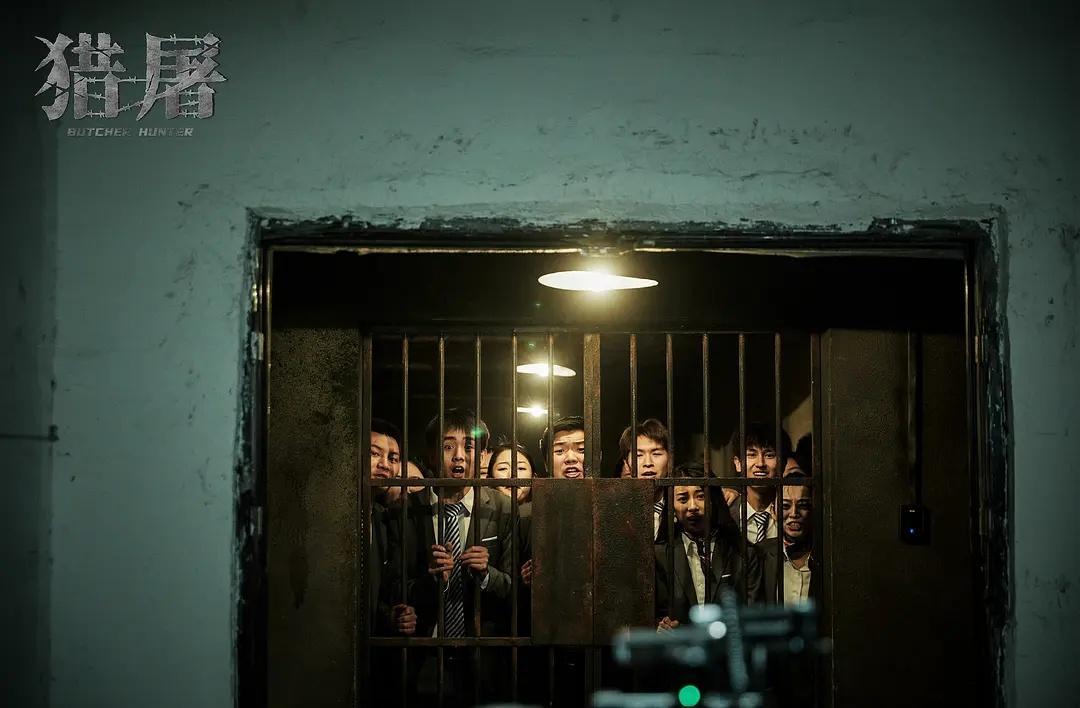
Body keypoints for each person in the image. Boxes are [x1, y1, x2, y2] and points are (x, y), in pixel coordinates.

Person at [387, 408, 513, 705]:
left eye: (469, 446)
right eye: (447, 447)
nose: (459, 456)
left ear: (483, 456)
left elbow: (516, 588)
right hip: (422, 654)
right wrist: (428, 580)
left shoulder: (503, 508)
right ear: (431, 455)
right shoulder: (405, 511)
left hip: (483, 654)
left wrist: (487, 575)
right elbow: (389, 587)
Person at [655, 461, 765, 632]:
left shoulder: (742, 553)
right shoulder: (659, 556)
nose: (693, 506)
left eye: (701, 496)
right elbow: (655, 614)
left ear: (714, 500)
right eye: (683, 499)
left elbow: (753, 615)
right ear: (671, 507)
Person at [758, 471, 817, 606]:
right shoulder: (759, 555)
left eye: (803, 505)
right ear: (773, 511)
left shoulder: (828, 555)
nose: (794, 513)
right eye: (785, 506)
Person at [728, 422, 792, 544]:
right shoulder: (726, 513)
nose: (760, 463)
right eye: (752, 455)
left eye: (769, 455)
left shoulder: (792, 514)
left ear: (783, 463)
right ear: (738, 463)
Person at [617, 418, 672, 539]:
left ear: (670, 459)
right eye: (638, 455)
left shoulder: (680, 505)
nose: (648, 463)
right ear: (626, 463)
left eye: (656, 454)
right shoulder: (615, 508)